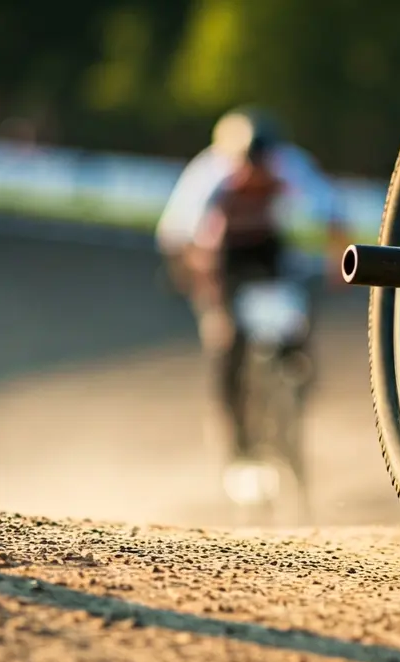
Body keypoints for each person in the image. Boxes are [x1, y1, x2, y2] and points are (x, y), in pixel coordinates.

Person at [155, 106, 349, 459]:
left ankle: (295, 385)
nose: (255, 174)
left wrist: (339, 262)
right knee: (228, 341)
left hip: (268, 250)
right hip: (221, 257)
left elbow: (331, 213)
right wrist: (197, 279)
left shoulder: (290, 164)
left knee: (295, 323)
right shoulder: (209, 173)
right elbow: (176, 234)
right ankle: (236, 444)